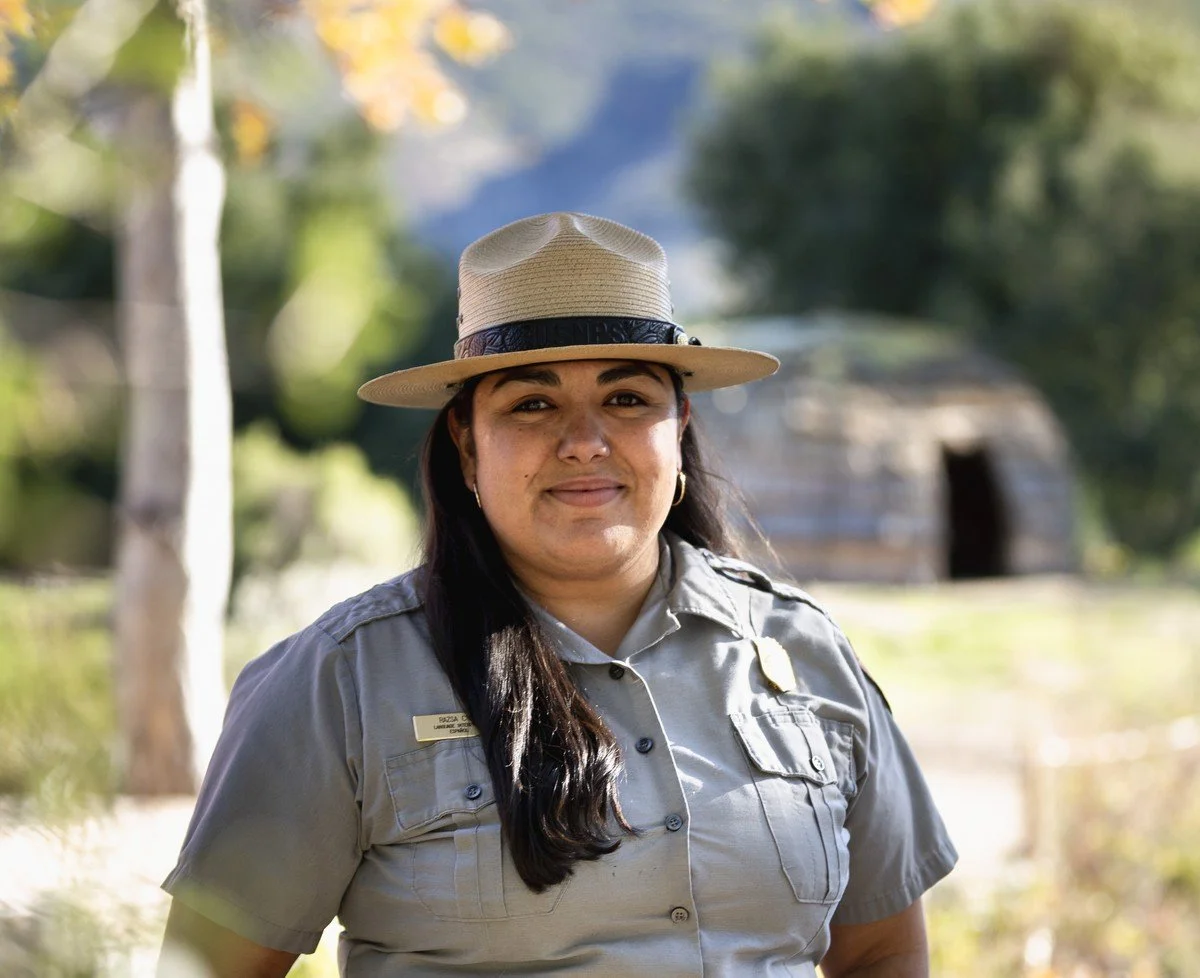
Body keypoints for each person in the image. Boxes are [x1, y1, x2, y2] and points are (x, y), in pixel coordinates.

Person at [158, 212, 957, 977]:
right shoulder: (341, 682)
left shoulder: (802, 652)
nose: (584, 442)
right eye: (532, 404)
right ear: (467, 441)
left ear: (679, 425)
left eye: (626, 399)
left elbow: (880, 956)